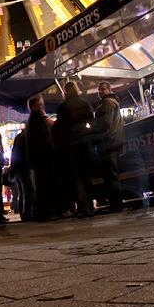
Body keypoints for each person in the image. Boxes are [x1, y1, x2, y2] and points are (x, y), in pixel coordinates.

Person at [55, 81, 95, 218]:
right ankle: (89, 206)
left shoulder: (62, 108)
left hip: (71, 148)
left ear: (65, 92)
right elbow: (92, 123)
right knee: (87, 178)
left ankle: (82, 208)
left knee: (76, 179)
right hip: (85, 145)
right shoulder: (84, 104)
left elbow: (60, 130)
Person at [91, 81, 125, 212]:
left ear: (109, 89)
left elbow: (104, 124)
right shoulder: (113, 102)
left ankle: (115, 204)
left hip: (108, 143)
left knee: (111, 176)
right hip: (114, 142)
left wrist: (96, 136)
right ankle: (117, 203)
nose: (100, 92)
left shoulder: (106, 103)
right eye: (99, 90)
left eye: (103, 89)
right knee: (113, 174)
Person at [25, 95, 55, 220]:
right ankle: (44, 212)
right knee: (44, 186)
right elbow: (45, 139)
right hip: (43, 158)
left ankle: (42, 212)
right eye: (40, 104)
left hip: (38, 159)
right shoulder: (37, 120)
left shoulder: (32, 120)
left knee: (41, 185)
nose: (42, 106)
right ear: (34, 106)